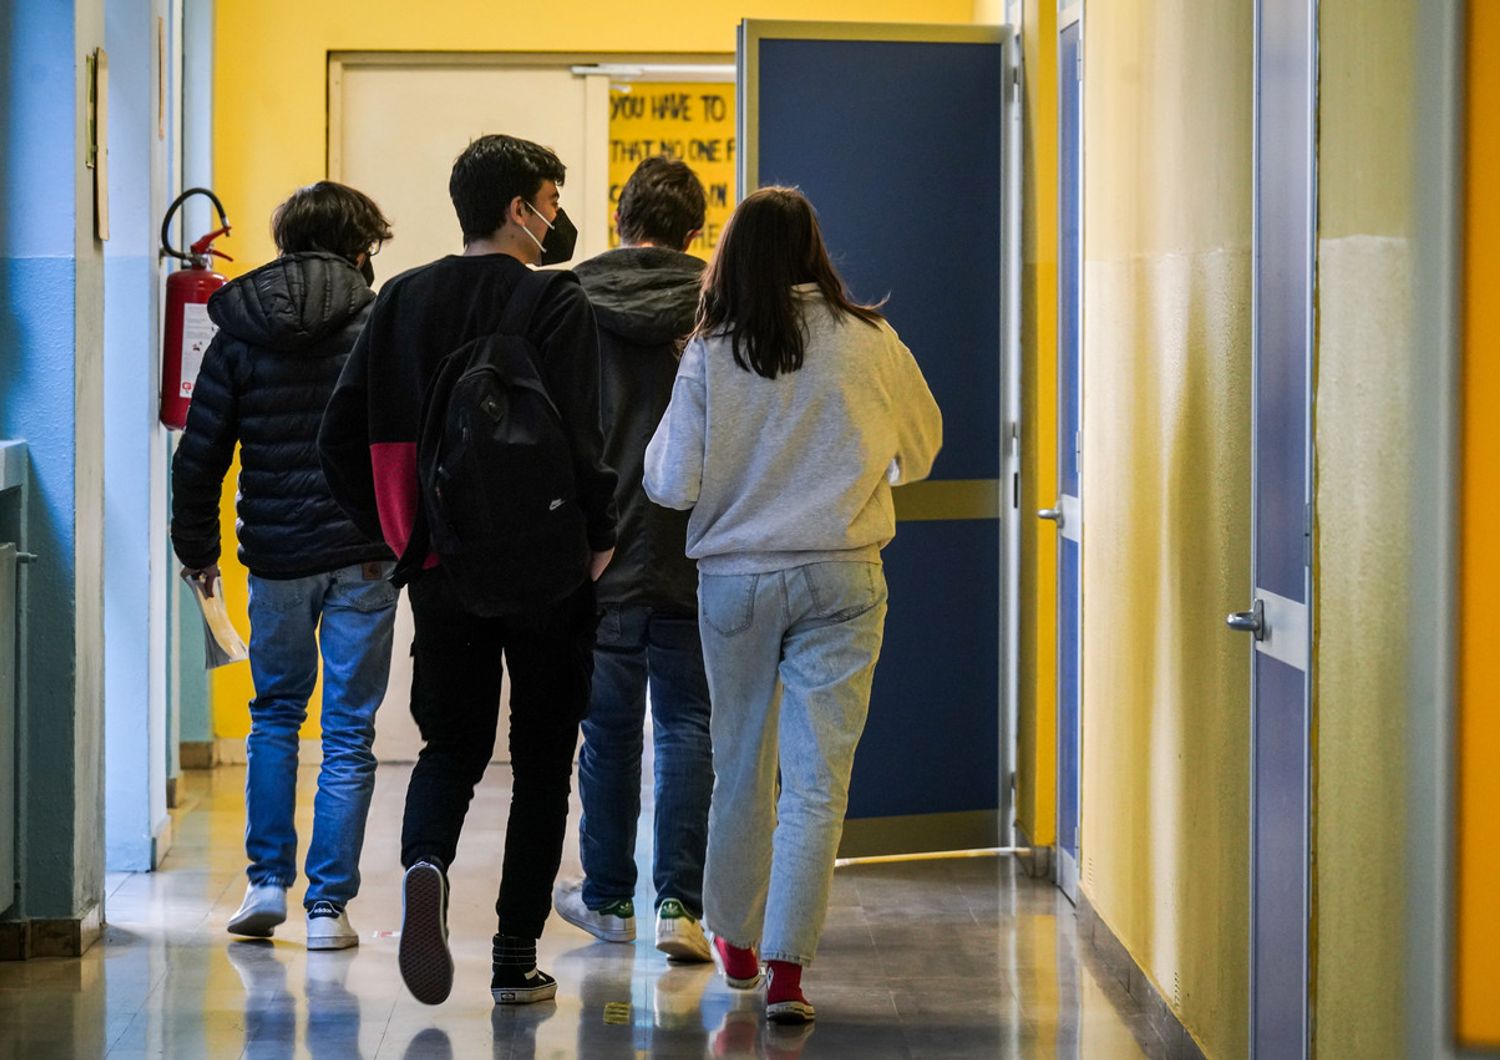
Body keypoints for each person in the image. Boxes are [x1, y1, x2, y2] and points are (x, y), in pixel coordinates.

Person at [318, 134, 617, 1007]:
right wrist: (597, 539)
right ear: (519, 208)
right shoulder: (558, 303)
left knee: (451, 745)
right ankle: (515, 957)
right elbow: (583, 441)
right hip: (546, 570)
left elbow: (340, 438)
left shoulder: (402, 298)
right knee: (542, 761)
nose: (557, 217)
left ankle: (424, 867)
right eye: (551, 200)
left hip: (440, 564)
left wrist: (393, 531)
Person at [643, 186, 942, 1025]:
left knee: (740, 763)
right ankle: (785, 972)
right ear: (815, 249)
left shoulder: (711, 351)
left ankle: (733, 938)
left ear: (732, 256)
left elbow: (670, 483)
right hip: (843, 576)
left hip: (736, 583)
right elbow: (918, 451)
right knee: (818, 783)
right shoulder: (871, 341)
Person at [170, 180, 398, 950]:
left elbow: (201, 456)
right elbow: (406, 441)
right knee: (347, 731)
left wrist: (197, 552)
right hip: (365, 553)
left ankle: (267, 883)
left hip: (274, 556)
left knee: (274, 716)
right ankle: (329, 910)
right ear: (359, 245)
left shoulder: (238, 325)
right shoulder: (376, 319)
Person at [553, 157, 714, 962]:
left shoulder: (573, 299)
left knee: (607, 729)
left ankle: (609, 896)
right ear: (695, 229)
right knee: (688, 723)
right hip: (696, 546)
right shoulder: (719, 302)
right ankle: (680, 904)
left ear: (621, 221)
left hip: (600, 548)